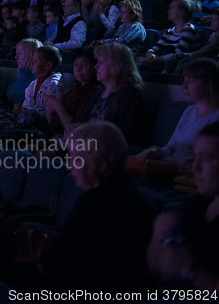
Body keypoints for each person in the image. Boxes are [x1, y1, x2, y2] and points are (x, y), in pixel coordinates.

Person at [37, 120, 155, 293]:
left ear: (101, 164)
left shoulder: (98, 202)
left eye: (77, 160)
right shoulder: (129, 191)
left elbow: (51, 265)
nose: (70, 166)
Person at [146, 121, 219, 291]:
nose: (196, 167)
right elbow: (155, 270)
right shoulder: (198, 204)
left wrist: (190, 271)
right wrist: (157, 237)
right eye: (196, 157)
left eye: (207, 158)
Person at [131, 58, 219, 179]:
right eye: (184, 80)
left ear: (209, 84)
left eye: (191, 81)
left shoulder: (216, 117)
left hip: (187, 175)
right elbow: (171, 146)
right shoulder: (189, 111)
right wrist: (156, 150)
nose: (184, 86)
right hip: (169, 164)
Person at [70, 43, 145, 146]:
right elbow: (83, 121)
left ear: (117, 65)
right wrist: (73, 128)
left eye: (101, 62)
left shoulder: (129, 93)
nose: (96, 66)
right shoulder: (100, 92)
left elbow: (124, 133)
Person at [43, 48, 102, 138]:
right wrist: (50, 109)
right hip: (50, 134)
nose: (78, 69)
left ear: (95, 66)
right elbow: (52, 122)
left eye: (84, 64)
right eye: (76, 64)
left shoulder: (93, 92)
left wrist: (56, 104)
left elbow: (74, 127)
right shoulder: (76, 89)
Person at [136, 0, 200, 65]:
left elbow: (177, 56)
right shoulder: (170, 30)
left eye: (171, 8)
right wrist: (150, 55)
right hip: (163, 61)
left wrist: (147, 60)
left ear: (181, 11)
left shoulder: (189, 29)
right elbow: (156, 48)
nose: (168, 11)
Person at [164, 8, 219, 74]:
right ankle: (163, 75)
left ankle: (175, 80)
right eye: (212, 19)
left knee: (184, 62)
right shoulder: (214, 33)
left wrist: (195, 53)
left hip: (210, 57)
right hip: (203, 54)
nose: (212, 22)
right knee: (177, 56)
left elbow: (210, 47)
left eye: (215, 20)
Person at [7, 38, 42, 111]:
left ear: (31, 54)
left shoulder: (37, 80)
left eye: (20, 53)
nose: (16, 57)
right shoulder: (22, 75)